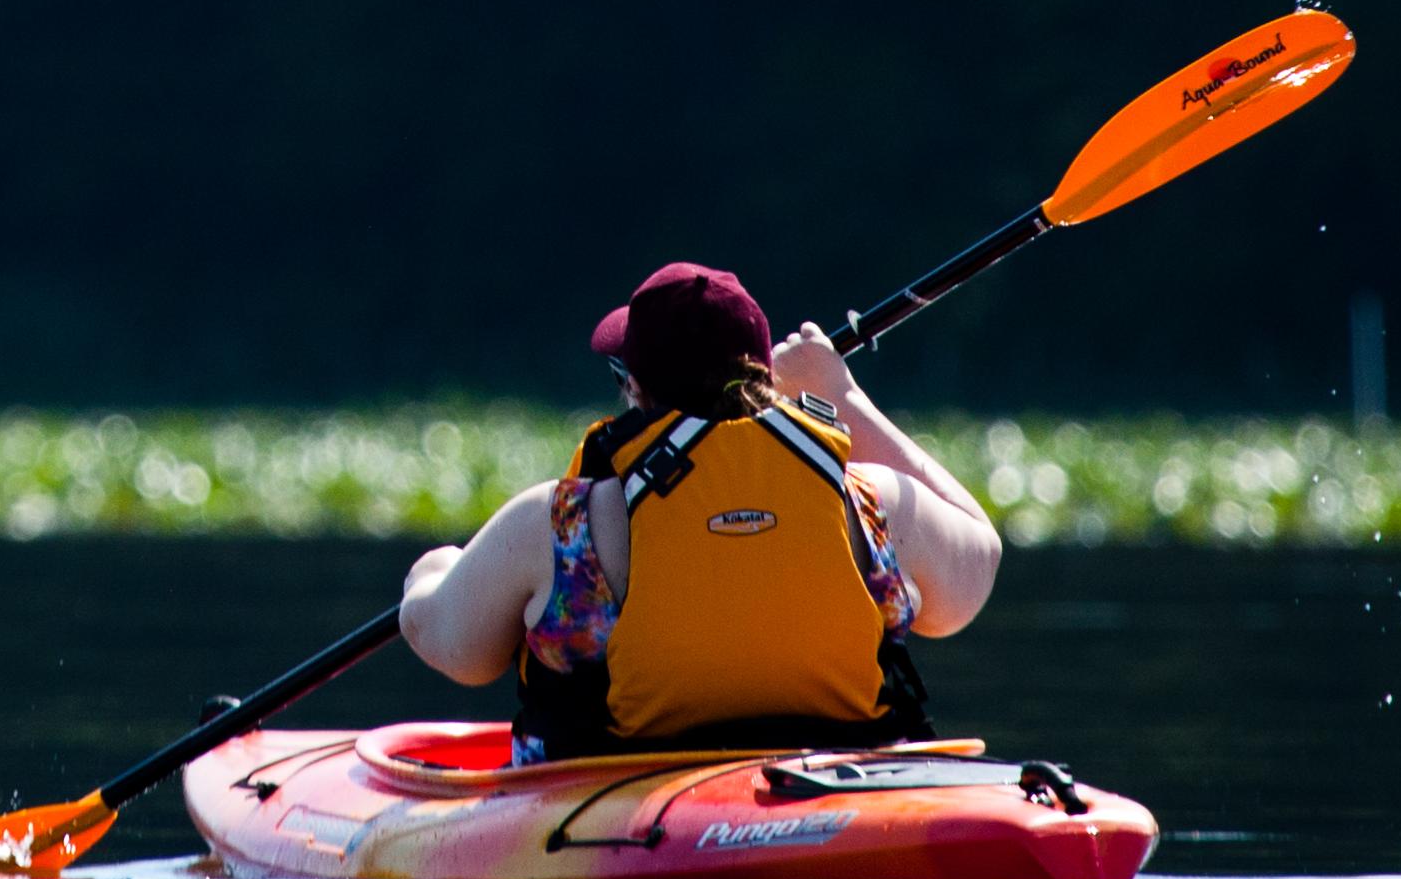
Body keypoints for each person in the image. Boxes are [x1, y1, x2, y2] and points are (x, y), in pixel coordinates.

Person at [399, 261, 1002, 763]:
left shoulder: (561, 524)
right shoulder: (873, 505)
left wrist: (433, 571)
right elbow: (977, 564)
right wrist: (845, 399)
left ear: (635, 390)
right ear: (768, 381)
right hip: (843, 784)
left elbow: (455, 648)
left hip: (618, 810)